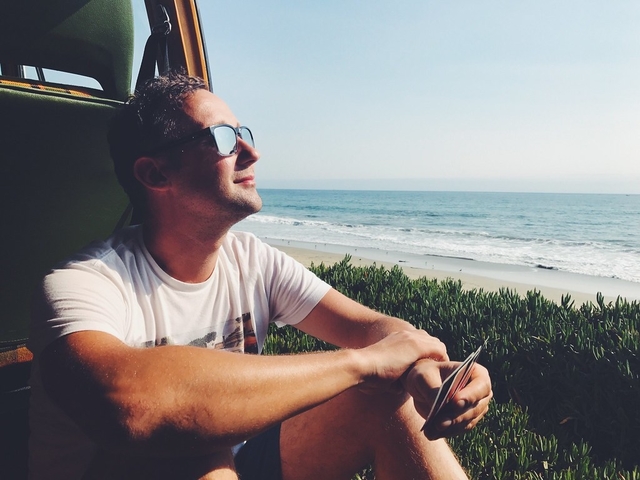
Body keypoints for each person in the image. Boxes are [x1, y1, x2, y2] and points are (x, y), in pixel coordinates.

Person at [27, 71, 492, 480]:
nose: (251, 152)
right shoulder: (84, 283)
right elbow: (133, 405)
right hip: (137, 470)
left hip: (241, 460)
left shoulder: (252, 260)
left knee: (389, 402)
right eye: (222, 139)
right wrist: (362, 364)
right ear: (154, 173)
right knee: (196, 449)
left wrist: (422, 367)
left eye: (242, 134)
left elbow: (372, 328)